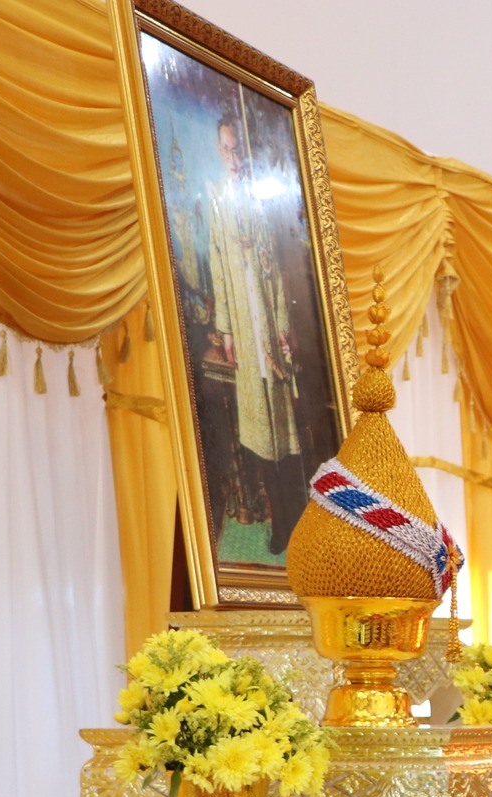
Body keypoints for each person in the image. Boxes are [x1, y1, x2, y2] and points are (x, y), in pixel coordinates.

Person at [207, 113, 305, 556]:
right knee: (259, 433)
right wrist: (226, 329)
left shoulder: (260, 201)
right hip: (243, 328)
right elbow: (219, 272)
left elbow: (279, 276)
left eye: (237, 148)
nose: (233, 157)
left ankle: (295, 517)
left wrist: (282, 328)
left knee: (282, 429)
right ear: (218, 152)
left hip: (267, 318)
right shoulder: (216, 201)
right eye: (225, 149)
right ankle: (277, 521)